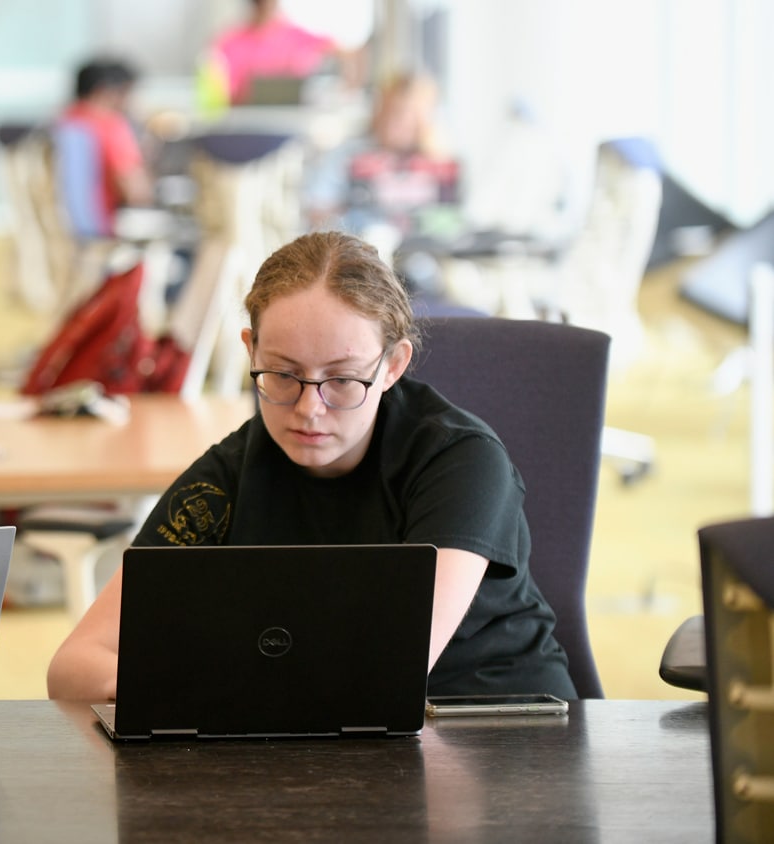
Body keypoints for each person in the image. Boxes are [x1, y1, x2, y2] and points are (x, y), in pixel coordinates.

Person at [46, 231, 576, 702]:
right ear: (251, 351)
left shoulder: (460, 462)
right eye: (281, 374)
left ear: (392, 366)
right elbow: (74, 667)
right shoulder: (227, 478)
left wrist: (202, 686)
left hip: (497, 734)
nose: (308, 409)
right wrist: (202, 691)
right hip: (322, 746)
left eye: (342, 379)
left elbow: (391, 673)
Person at [304, 71, 459, 241]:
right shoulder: (347, 155)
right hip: (359, 252)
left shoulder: (441, 165)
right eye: (391, 111)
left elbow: (455, 224)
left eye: (409, 115)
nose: (397, 123)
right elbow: (317, 211)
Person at [57, 57, 155, 238]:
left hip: (59, 236)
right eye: (127, 92)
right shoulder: (111, 125)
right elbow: (138, 192)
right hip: (101, 235)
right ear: (106, 92)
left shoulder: (61, 121)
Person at [201, 0, 360, 109]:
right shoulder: (229, 41)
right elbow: (220, 92)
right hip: (245, 123)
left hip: (287, 126)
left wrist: (349, 86)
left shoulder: (294, 35)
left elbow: (345, 52)